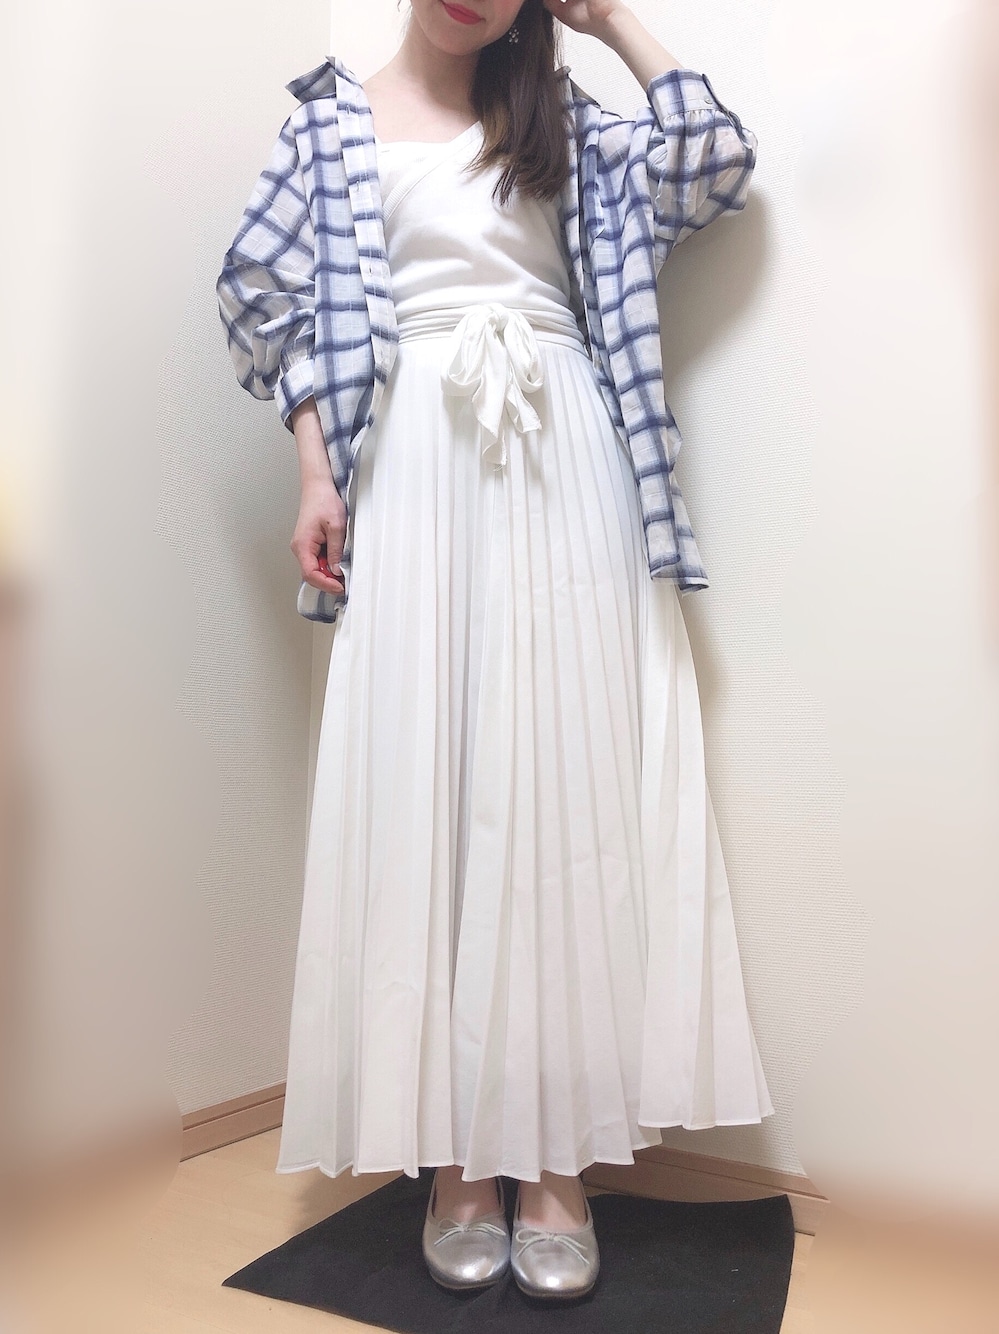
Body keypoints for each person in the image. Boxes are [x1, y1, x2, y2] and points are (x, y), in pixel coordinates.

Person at [216, 0, 774, 1302]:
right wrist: (316, 474)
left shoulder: (564, 117)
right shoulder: (328, 122)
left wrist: (613, 21)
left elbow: (715, 163)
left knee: (562, 797)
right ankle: (462, 1157)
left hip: (563, 451)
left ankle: (558, 1162)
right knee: (435, 781)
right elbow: (261, 299)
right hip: (412, 456)